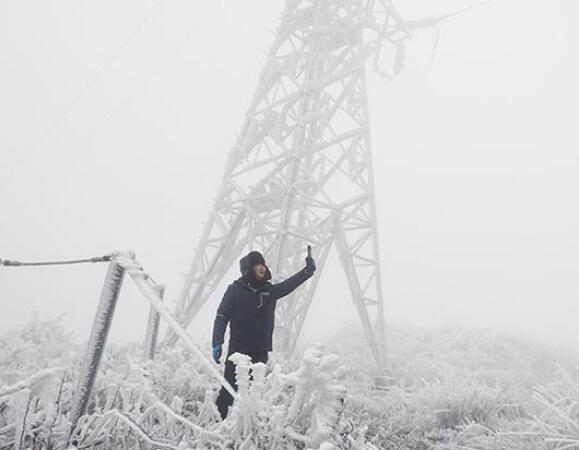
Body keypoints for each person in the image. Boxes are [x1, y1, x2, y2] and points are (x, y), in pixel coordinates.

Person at [211, 249, 316, 419]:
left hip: (260, 352)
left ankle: (249, 431)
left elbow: (289, 285)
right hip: (238, 352)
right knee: (228, 393)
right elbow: (222, 315)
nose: (262, 267)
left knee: (255, 396)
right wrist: (217, 341)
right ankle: (217, 425)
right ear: (249, 268)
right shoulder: (235, 290)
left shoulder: (269, 291)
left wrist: (307, 271)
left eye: (263, 264)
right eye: (257, 264)